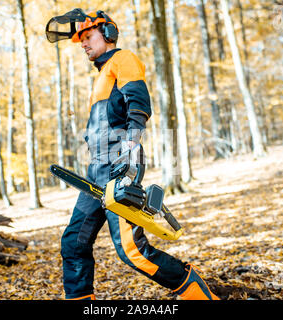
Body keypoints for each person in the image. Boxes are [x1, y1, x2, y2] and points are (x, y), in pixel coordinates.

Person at [60, 10, 219, 300]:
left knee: (131, 252)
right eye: (80, 40)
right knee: (73, 243)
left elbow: (138, 100)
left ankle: (195, 291)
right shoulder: (101, 75)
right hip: (97, 169)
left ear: (107, 34)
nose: (83, 44)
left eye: (87, 36)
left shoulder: (123, 59)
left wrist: (131, 151)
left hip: (116, 164)